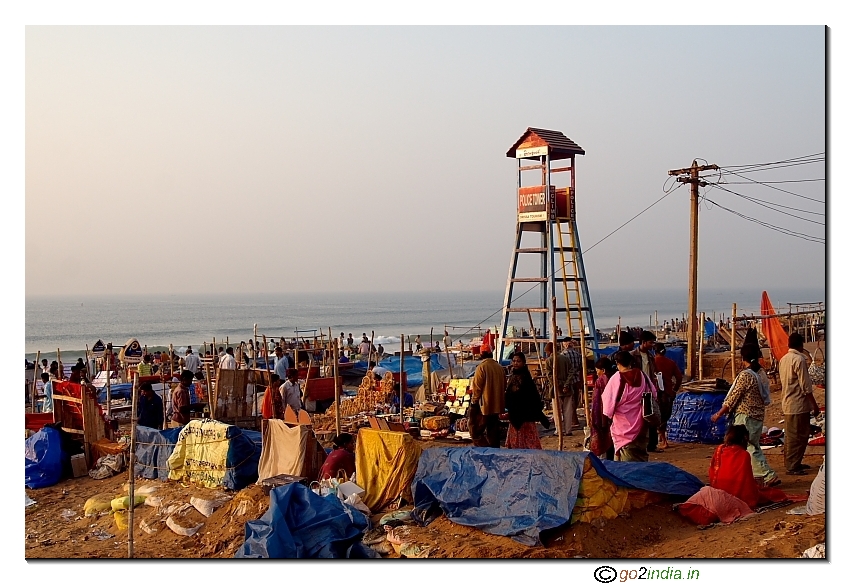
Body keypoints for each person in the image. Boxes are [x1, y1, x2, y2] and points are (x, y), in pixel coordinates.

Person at [710, 344, 780, 486]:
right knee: (753, 446)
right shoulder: (760, 373)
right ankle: (757, 476)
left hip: (745, 416)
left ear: (743, 359)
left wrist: (719, 413)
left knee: (749, 447)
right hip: (757, 415)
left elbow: (733, 397)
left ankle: (767, 475)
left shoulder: (745, 376)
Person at [709, 425, 786, 508]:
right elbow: (747, 482)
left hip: (720, 492)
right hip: (739, 495)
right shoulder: (744, 455)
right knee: (776, 494)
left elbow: (712, 472)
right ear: (745, 438)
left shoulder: (720, 449)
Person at [601, 350, 656, 462]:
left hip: (622, 427)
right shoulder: (642, 375)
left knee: (624, 462)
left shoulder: (616, 378)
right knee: (641, 457)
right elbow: (654, 394)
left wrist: (605, 422)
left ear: (617, 363)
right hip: (642, 424)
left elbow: (607, 404)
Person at [779, 332, 820, 475]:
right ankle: (792, 466)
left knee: (792, 436)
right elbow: (806, 386)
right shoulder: (799, 359)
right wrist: (814, 405)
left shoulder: (783, 359)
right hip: (798, 404)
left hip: (788, 403)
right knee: (799, 436)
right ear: (801, 345)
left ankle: (794, 463)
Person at [504, 352, 548, 449]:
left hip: (526, 415)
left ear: (523, 363)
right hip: (514, 414)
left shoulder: (526, 378)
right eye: (514, 361)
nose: (515, 363)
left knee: (529, 445)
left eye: (518, 361)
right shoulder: (512, 376)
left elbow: (532, 396)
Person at [469, 350, 506, 448]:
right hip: (497, 405)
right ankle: (494, 450)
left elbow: (477, 388)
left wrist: (474, 402)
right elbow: (504, 385)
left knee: (476, 431)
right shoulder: (499, 367)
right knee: (493, 431)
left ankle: (484, 449)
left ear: (481, 355)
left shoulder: (481, 367)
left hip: (484, 406)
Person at [653, 343, 683, 450]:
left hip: (656, 394)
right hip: (668, 394)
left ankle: (663, 440)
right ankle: (663, 440)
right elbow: (679, 377)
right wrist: (675, 389)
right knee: (665, 417)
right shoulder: (670, 362)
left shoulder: (652, 362)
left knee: (656, 418)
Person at [544, 341, 573, 436]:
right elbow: (571, 372)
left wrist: (559, 385)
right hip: (567, 389)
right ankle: (568, 430)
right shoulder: (565, 359)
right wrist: (566, 385)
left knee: (557, 412)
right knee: (568, 411)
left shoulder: (549, 361)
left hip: (556, 389)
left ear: (549, 351)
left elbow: (550, 377)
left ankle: (559, 430)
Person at [590, 357, 616, 460]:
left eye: (597, 371)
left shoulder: (600, 381)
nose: (597, 373)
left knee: (606, 439)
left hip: (604, 415)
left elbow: (597, 402)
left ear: (603, 370)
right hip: (617, 414)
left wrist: (595, 419)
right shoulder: (617, 377)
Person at [562, 338, 583, 428]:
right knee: (575, 399)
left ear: (565, 345)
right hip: (577, 380)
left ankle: (573, 420)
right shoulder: (578, 354)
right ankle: (574, 419)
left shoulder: (563, 355)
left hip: (568, 381)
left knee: (569, 401)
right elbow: (581, 368)